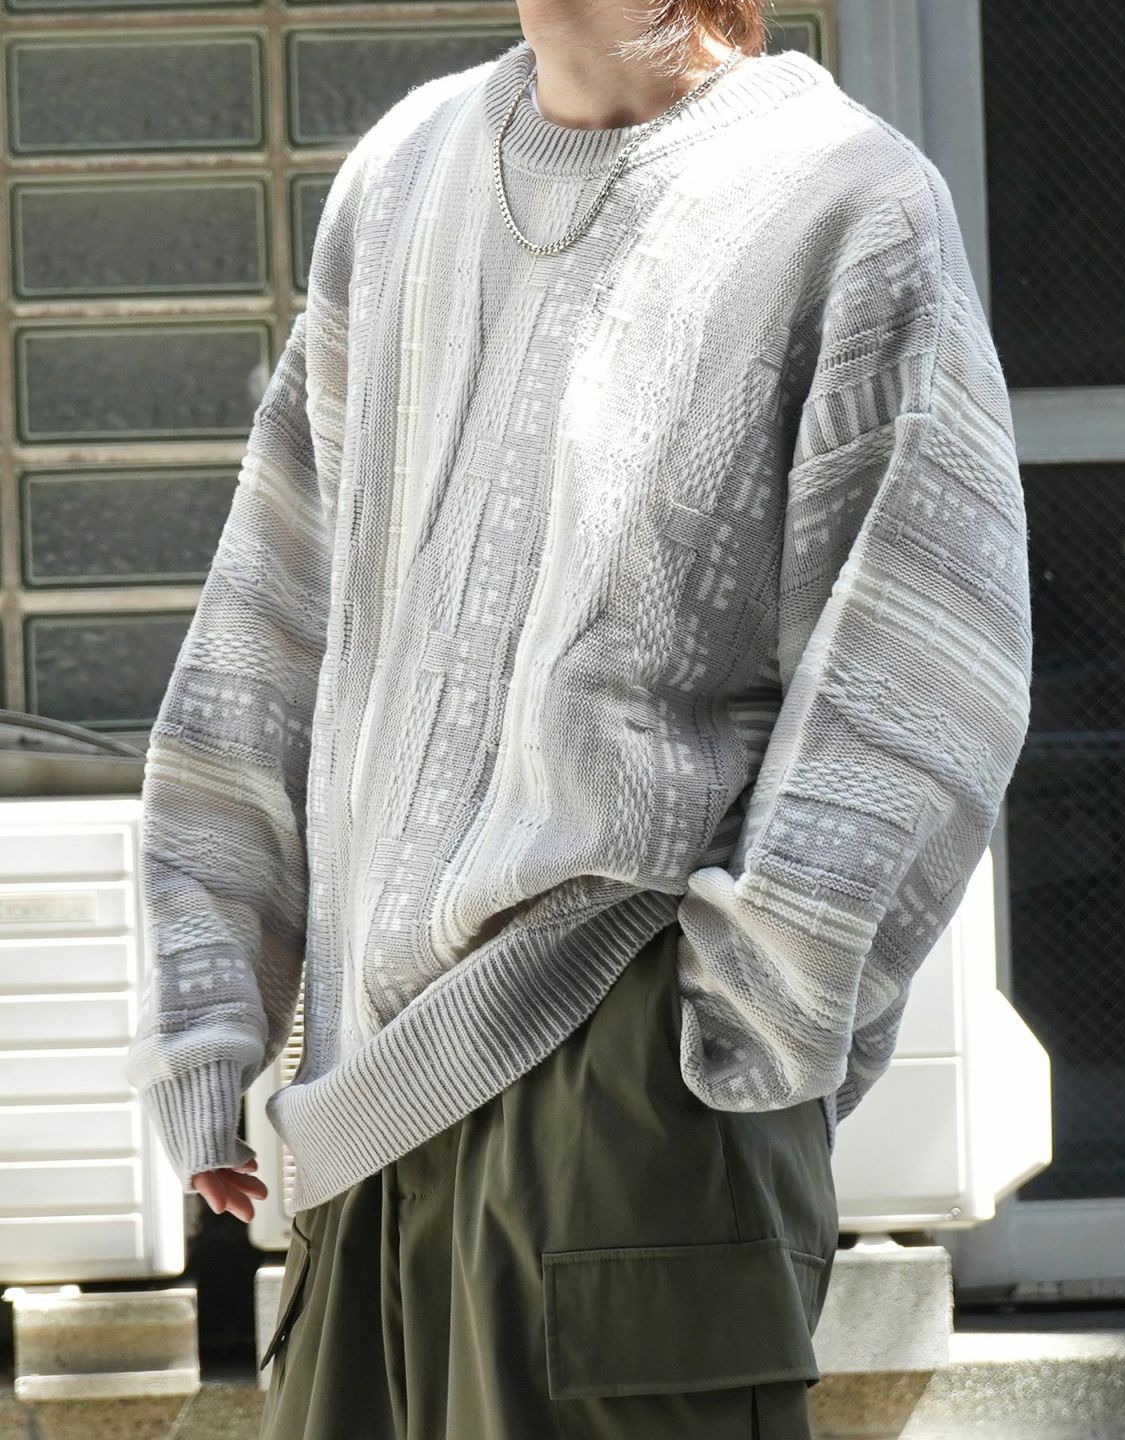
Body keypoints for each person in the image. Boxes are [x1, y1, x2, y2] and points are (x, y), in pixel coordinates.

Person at [122, 1, 1033, 1435]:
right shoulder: (405, 171)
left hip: (623, 1088)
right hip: (354, 1128)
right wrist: (210, 1010)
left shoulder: (848, 203)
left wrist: (737, 1029)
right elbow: (274, 612)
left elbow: (926, 669)